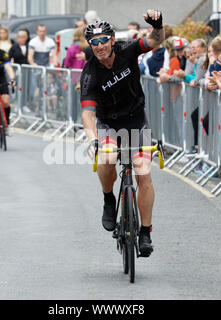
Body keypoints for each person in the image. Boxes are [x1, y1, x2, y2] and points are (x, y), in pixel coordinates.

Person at [80, 10, 165, 257]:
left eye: (103, 40)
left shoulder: (128, 51)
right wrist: (93, 140)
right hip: (108, 124)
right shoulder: (90, 73)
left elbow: (155, 41)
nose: (99, 46)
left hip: (137, 120)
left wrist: (157, 24)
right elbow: (87, 114)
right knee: (106, 158)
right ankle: (109, 200)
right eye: (93, 42)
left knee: (144, 173)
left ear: (112, 40)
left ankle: (146, 231)